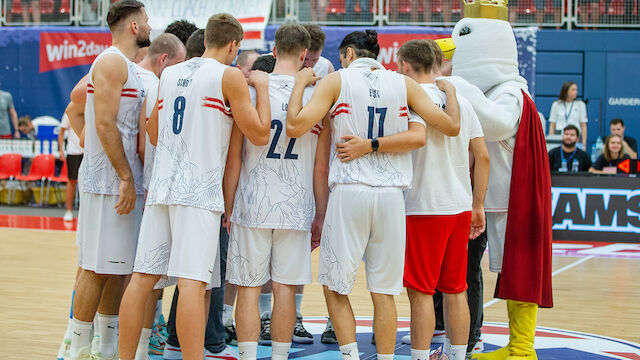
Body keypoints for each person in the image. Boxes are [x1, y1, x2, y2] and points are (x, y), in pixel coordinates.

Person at [287, 29, 461, 360]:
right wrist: (450, 91)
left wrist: (299, 84)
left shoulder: (337, 81)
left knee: (335, 287)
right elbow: (451, 126)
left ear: (348, 54)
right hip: (391, 198)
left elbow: (295, 126)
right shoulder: (403, 84)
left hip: (351, 192)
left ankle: (352, 357)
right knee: (384, 293)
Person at [117, 12, 271, 360]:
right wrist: (260, 89)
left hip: (162, 189)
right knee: (191, 285)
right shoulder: (229, 75)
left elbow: (153, 133)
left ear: (204, 42)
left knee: (142, 279)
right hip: (198, 194)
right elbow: (260, 134)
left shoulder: (170, 73)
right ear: (233, 45)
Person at [443, 3, 554, 359]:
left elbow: (498, 123)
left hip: (512, 198)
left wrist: (459, 86)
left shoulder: (511, 92)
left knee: (519, 267)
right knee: (481, 269)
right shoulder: (491, 90)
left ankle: (522, 348)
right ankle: (475, 338)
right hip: (484, 197)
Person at [224, 23, 331, 360]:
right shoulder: (317, 97)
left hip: (252, 203)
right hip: (296, 204)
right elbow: (320, 167)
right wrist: (320, 214)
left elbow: (236, 157)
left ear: (273, 51)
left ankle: (246, 356)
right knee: (285, 290)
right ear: (304, 55)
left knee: (249, 289)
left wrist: (227, 206)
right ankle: (281, 357)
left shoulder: (252, 90)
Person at [65, 1, 151, 359]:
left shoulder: (125, 66)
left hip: (116, 178)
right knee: (96, 268)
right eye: (146, 20)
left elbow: (76, 105)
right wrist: (124, 176)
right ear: (133, 26)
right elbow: (103, 123)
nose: (150, 25)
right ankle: (76, 348)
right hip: (109, 183)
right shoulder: (112, 61)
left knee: (116, 269)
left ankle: (107, 347)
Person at [396, 39, 490, 360]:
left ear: (405, 65)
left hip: (425, 206)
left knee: (420, 291)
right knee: (456, 288)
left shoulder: (410, 98)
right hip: (460, 205)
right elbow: (483, 157)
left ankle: (421, 357)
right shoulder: (461, 100)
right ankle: (455, 354)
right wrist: (478, 205)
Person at [134, 32, 186, 360]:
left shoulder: (150, 81)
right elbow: (144, 143)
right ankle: (146, 334)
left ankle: (143, 334)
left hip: (149, 186)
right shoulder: (154, 84)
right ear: (166, 60)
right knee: (147, 274)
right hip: (153, 187)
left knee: (144, 273)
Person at [58, 113, 84, 222]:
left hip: (89, 151)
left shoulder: (92, 107)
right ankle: (68, 211)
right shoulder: (70, 112)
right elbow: (61, 131)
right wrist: (61, 150)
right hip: (74, 151)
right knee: (72, 180)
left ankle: (85, 212)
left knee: (88, 183)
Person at [548, 81, 588, 149]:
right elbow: (552, 124)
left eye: (576, 89)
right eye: (573, 89)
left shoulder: (580, 105)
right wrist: (551, 140)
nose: (576, 92)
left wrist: (584, 144)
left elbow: (583, 125)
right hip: (559, 134)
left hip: (575, 135)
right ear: (566, 90)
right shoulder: (556, 104)